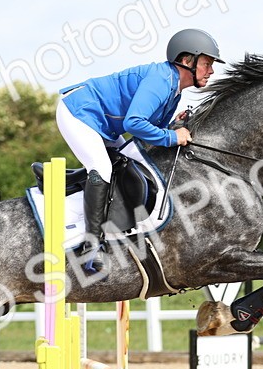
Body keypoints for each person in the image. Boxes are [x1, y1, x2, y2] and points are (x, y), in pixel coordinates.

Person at [56, 28, 224, 272]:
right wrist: (171, 136)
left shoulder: (173, 92)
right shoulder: (160, 80)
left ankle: (69, 181)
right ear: (187, 60)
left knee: (124, 162)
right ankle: (91, 247)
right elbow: (133, 123)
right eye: (207, 64)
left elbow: (149, 131)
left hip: (102, 124)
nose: (211, 71)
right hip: (79, 111)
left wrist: (173, 127)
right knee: (102, 167)